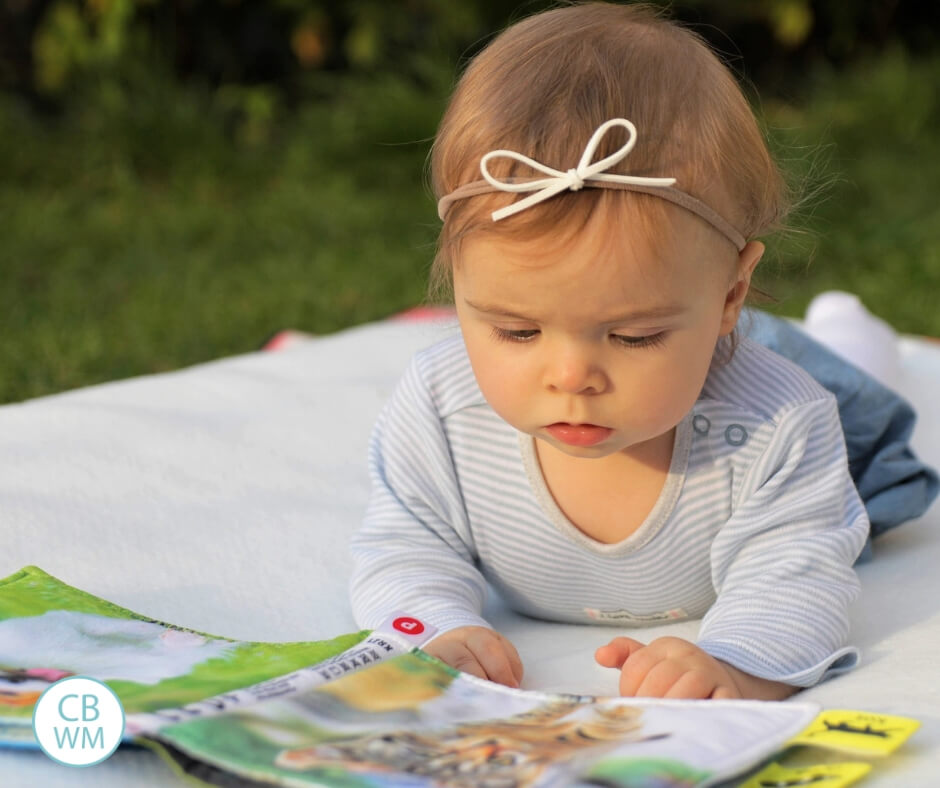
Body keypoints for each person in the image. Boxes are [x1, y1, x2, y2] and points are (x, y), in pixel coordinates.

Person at [349, 2, 871, 701]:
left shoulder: (779, 423)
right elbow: (403, 542)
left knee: (866, 424)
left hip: (753, 386)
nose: (572, 377)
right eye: (516, 330)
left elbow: (800, 572)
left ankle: (853, 340)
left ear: (728, 294)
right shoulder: (444, 407)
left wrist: (736, 662)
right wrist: (432, 631)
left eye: (634, 336)